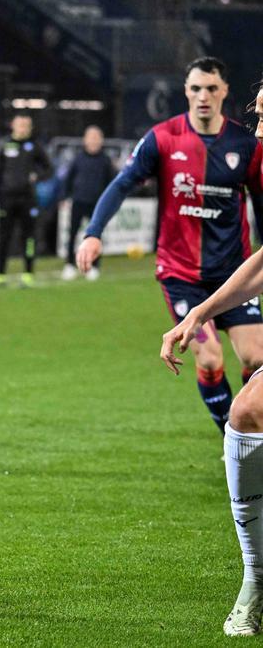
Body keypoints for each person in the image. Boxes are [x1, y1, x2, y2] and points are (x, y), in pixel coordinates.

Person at [79, 57, 263, 436]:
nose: (203, 96)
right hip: (181, 275)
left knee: (255, 356)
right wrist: (94, 231)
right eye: (195, 88)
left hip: (233, 271)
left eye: (211, 88)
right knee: (209, 358)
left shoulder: (245, 144)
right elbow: (122, 183)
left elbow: (260, 202)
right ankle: (231, 440)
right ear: (185, 91)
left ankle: (250, 429)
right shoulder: (163, 138)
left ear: (224, 92)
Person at [160, 74, 263, 638]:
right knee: (244, 413)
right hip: (188, 279)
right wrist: (198, 314)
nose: (259, 129)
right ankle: (255, 579)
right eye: (258, 114)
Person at [0, 114, 52, 288]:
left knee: (28, 237)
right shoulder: (4, 145)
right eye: (20, 125)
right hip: (6, 199)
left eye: (26, 126)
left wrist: (37, 176)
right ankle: (0, 275)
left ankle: (28, 274)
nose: (23, 129)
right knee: (3, 237)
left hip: (27, 199)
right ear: (13, 126)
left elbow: (48, 169)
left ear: (30, 128)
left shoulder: (34, 146)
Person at [60, 126, 116, 281]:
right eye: (91, 137)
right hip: (78, 201)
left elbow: (113, 183)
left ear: (101, 141)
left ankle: (94, 266)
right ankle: (70, 265)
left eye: (96, 138)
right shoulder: (78, 159)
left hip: (97, 205)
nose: (93, 141)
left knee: (95, 235)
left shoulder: (105, 160)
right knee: (72, 234)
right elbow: (68, 179)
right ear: (85, 140)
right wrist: (64, 197)